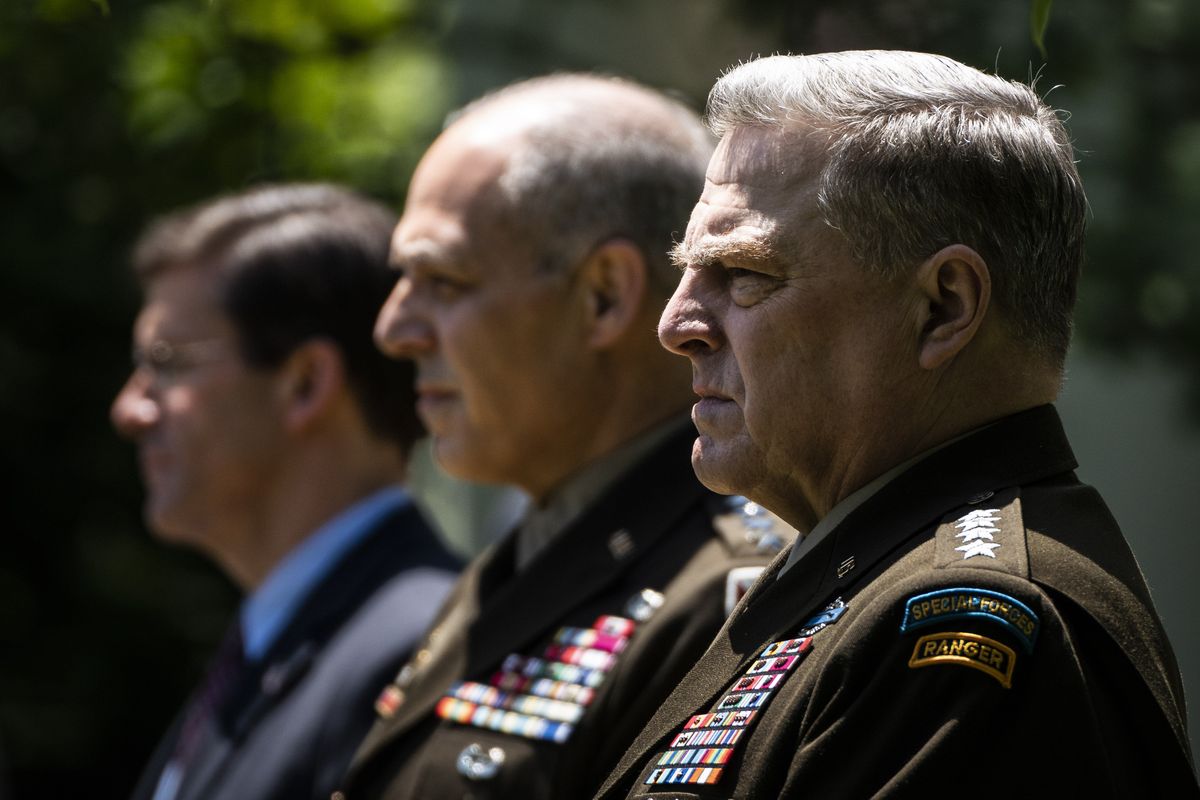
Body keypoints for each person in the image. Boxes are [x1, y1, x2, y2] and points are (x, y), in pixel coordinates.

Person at [597, 51, 1200, 798]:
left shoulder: (959, 625)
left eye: (746, 274)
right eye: (687, 270)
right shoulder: (873, 571)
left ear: (943, 307)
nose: (676, 324)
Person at [334, 74, 791, 799]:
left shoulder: (724, 599)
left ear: (604, 296)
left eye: (443, 280)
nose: (394, 330)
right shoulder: (538, 544)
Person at [113, 184, 463, 800]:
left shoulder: (415, 647)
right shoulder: (279, 638)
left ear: (305, 384)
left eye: (167, 363)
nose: (130, 410)